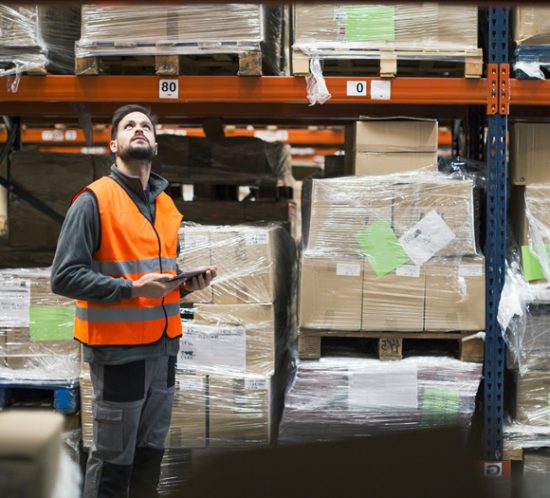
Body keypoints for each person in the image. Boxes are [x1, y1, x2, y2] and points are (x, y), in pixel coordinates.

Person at [51, 104, 216, 498]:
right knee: (113, 463)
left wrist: (185, 286)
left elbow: (159, 278)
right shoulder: (93, 201)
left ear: (155, 144)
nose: (138, 129)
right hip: (119, 352)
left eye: (146, 126)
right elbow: (63, 276)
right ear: (114, 144)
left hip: (164, 351)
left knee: (149, 460)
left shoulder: (166, 206)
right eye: (129, 126)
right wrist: (132, 289)